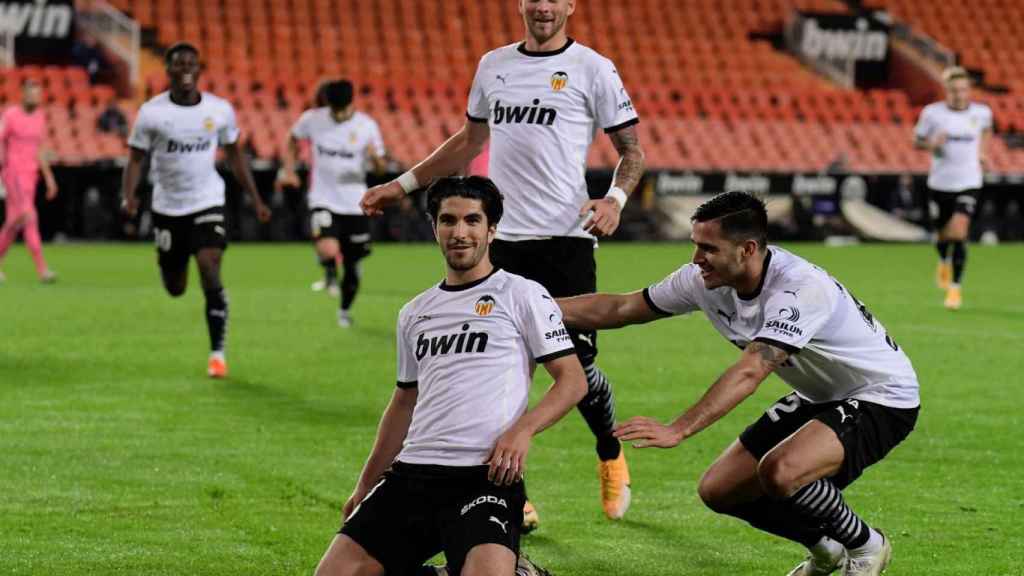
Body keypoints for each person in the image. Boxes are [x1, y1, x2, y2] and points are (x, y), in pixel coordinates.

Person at [360, 0, 646, 525]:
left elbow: (632, 152)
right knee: (494, 368)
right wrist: (401, 185)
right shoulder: (493, 65)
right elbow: (469, 141)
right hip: (503, 241)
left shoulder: (593, 68)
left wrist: (614, 201)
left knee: (575, 368)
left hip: (565, 240)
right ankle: (513, 490)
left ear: (569, 5)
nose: (542, 6)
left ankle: (609, 450)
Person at [557, 191, 920, 576]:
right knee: (720, 490)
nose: (697, 259)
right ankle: (826, 548)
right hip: (821, 394)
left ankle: (866, 545)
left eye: (708, 248)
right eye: (695, 245)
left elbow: (751, 371)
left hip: (881, 396)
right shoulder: (702, 280)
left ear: (747, 249)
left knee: (781, 473)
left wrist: (679, 428)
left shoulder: (799, 289)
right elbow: (622, 308)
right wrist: (533, 304)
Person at [315, 176, 585, 576]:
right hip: (413, 473)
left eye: (473, 221)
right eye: (448, 221)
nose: (460, 233)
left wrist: (522, 431)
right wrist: (365, 484)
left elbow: (572, 381)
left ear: (492, 230)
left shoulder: (522, 294)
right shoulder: (414, 312)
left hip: (485, 476)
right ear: (434, 227)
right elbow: (404, 401)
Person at [120, 42, 272, 378]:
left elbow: (234, 155)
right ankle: (171, 263)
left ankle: (217, 353)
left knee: (209, 264)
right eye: (178, 63)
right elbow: (135, 159)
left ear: (198, 69)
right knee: (175, 287)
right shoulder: (152, 113)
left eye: (191, 63)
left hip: (207, 200)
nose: (185, 68)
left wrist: (255, 198)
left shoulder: (219, 110)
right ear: (169, 70)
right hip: (167, 208)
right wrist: (128, 195)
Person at [278, 80, 386, 326]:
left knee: (353, 265)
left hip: (355, 203)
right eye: (334, 109)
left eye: (342, 109)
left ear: (351, 104)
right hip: (323, 198)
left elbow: (380, 168)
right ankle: (328, 271)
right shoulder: (313, 119)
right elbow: (291, 139)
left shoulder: (367, 126)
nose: (338, 114)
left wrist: (374, 159)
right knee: (328, 247)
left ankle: (345, 311)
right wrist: (289, 169)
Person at [913, 66, 992, 310]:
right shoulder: (932, 114)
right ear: (946, 90)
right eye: (953, 90)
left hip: (969, 181)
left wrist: (982, 154)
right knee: (942, 235)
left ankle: (955, 290)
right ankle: (943, 259)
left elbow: (986, 131)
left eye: (963, 89)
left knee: (959, 232)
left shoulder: (982, 113)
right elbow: (916, 140)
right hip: (940, 183)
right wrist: (931, 144)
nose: (959, 94)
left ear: (969, 90)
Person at [0, 79, 58, 284]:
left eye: (38, 94)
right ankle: (42, 270)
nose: (36, 98)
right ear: (23, 95)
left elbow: (40, 150)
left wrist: (49, 178)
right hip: (13, 173)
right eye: (32, 94)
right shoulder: (10, 115)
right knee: (29, 216)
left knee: (13, 223)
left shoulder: (40, 117)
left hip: (30, 176)